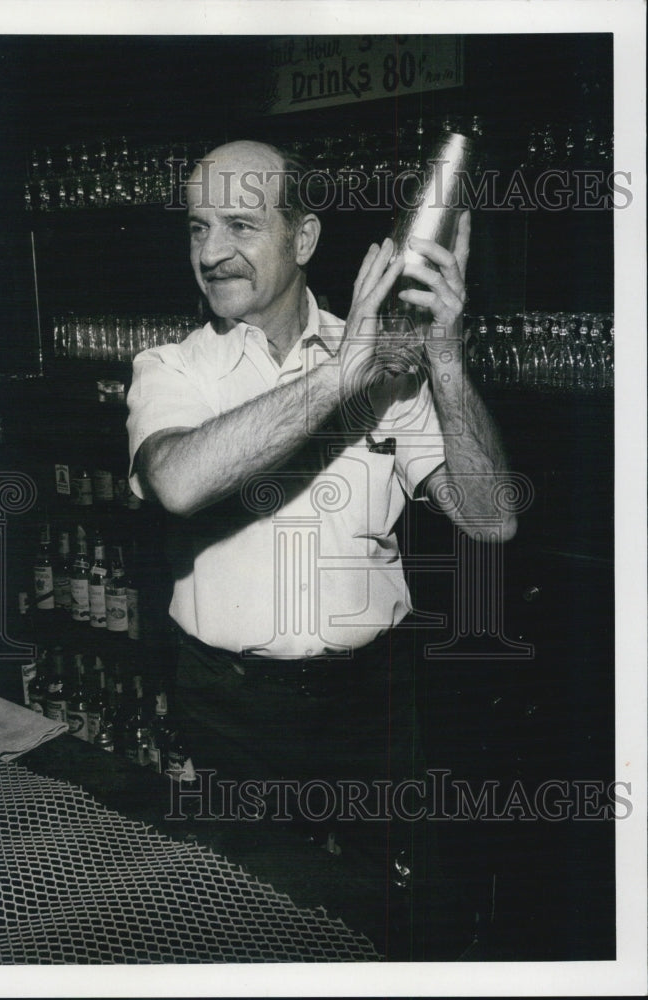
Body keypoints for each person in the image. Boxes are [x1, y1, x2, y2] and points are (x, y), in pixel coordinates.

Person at [126, 140, 516, 958]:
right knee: (242, 930)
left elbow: (491, 521)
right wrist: (341, 379)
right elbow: (177, 482)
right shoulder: (171, 368)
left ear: (302, 240)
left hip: (370, 709)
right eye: (197, 227)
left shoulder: (390, 361)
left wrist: (442, 362)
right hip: (228, 711)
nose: (210, 252)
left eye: (239, 223)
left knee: (399, 925)